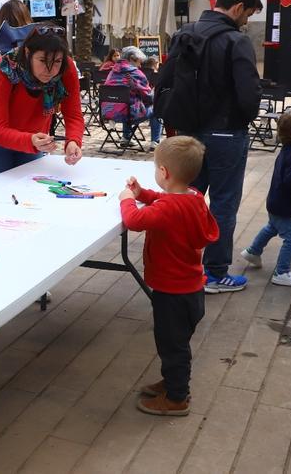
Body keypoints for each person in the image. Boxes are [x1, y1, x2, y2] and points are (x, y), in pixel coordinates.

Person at [157, 0, 262, 294]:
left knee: (184, 199)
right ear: (238, 7)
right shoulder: (235, 41)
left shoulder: (184, 33)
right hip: (226, 133)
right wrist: (240, 120)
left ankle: (175, 266)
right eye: (248, 15)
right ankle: (215, 273)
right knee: (223, 203)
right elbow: (249, 95)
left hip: (189, 133)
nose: (246, 22)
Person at [118, 136, 218, 417]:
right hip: (190, 289)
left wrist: (127, 200)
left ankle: (177, 398)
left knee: (172, 346)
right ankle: (173, 381)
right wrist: (143, 194)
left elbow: (134, 221)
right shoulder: (194, 197)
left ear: (164, 172)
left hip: (172, 293)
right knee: (175, 344)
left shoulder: (168, 209)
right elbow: (166, 199)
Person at [0, 25, 84, 179]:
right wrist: (31, 140)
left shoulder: (66, 68)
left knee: (30, 188)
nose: (50, 70)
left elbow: (73, 115)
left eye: (57, 61)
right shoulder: (2, 70)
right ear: (27, 52)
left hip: (32, 134)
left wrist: (73, 141)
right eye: (42, 60)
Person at [240, 110, 291, 288]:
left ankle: (253, 251)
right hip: (286, 206)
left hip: (278, 203)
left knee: (271, 227)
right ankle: (281, 272)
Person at [101, 46, 160, 149]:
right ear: (132, 59)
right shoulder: (135, 73)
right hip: (128, 114)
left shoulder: (112, 72)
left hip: (108, 112)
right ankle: (155, 142)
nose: (140, 65)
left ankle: (126, 137)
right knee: (157, 108)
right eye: (139, 62)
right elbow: (148, 97)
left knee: (126, 103)